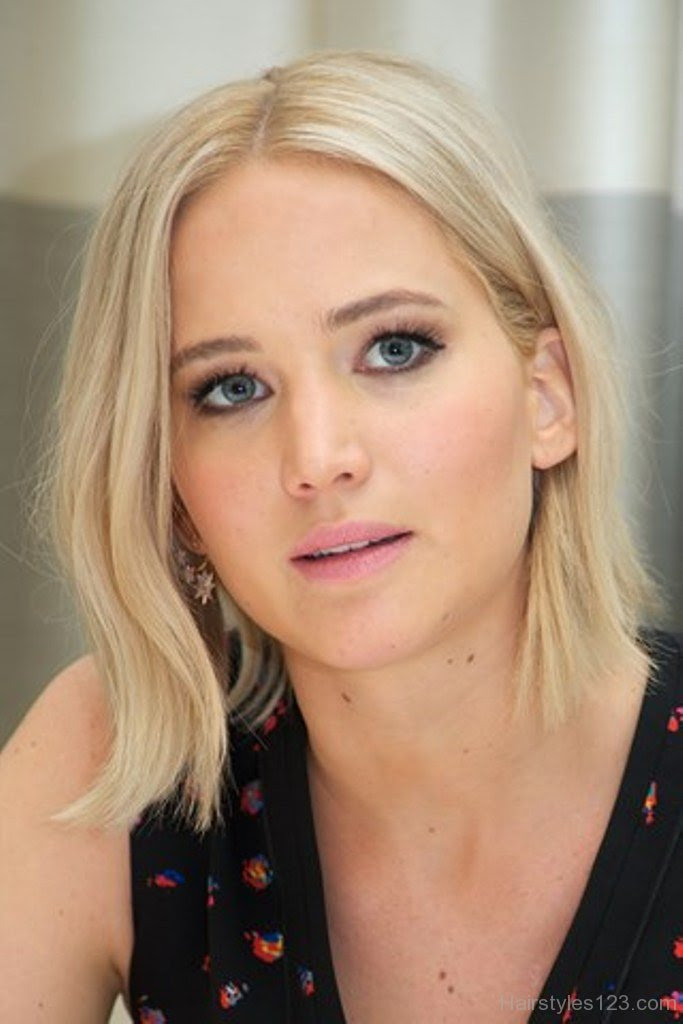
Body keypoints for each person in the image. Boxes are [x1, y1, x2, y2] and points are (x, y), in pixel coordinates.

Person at [1, 50, 681, 1024]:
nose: (317, 459)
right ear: (172, 488)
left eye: (394, 348)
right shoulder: (115, 761)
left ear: (547, 397)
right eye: (231, 388)